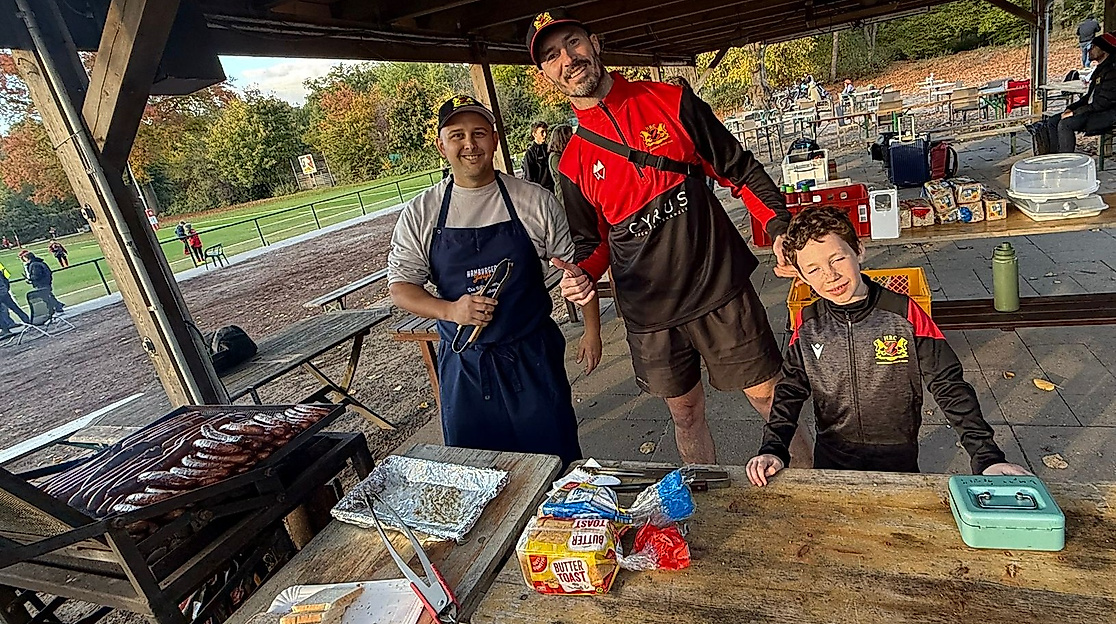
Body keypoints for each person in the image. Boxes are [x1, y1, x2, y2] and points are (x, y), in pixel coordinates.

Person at [528, 9, 813, 465]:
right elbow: (593, 244)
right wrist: (581, 274)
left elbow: (738, 170)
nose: (568, 59)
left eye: (573, 44)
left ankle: (814, 496)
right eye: (551, 55)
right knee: (685, 416)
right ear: (545, 73)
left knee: (769, 401)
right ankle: (708, 509)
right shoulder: (572, 161)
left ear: (595, 43)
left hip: (719, 287)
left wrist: (780, 227)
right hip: (650, 313)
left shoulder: (670, 100)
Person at [745, 207, 1031, 485]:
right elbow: (790, 390)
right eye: (814, 269)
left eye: (837, 259)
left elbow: (948, 385)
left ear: (858, 250)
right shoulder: (807, 322)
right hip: (832, 458)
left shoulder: (904, 312)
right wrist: (773, 447)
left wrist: (987, 457)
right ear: (802, 276)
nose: (829, 276)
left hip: (898, 460)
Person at [387, 95, 595, 466]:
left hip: (533, 357)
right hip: (466, 365)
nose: (470, 144)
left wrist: (592, 330)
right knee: (478, 471)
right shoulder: (422, 212)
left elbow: (573, 270)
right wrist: (450, 309)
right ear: (441, 145)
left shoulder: (535, 201)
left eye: (479, 133)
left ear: (495, 140)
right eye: (457, 135)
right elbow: (401, 288)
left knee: (556, 465)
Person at [1059, 32, 1116, 154]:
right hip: (1094, 110)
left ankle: (1065, 162)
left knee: (1066, 124)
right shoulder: (1100, 70)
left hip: (1107, 115)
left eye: (1094, 47)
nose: (1089, 50)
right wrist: (1070, 108)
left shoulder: (1112, 71)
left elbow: (1103, 103)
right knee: (1053, 120)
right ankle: (1051, 158)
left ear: (1104, 50)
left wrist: (1075, 113)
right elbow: (1088, 97)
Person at [522, 120, 555, 192]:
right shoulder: (530, 153)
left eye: (546, 132)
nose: (545, 134)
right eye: (542, 132)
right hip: (541, 191)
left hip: (553, 188)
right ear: (534, 134)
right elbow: (529, 177)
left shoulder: (549, 148)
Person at [0, 262, 30, 338]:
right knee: (15, 308)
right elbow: (5, 280)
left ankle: (5, 330)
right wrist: (6, 289)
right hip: (4, 292)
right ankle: (27, 321)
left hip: (2, 292)